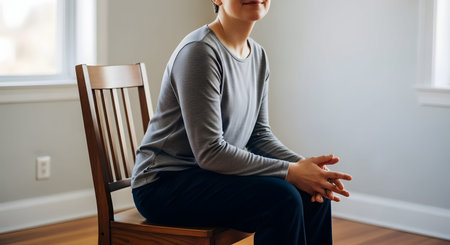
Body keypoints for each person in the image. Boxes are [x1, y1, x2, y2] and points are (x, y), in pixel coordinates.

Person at [131, 0, 352, 244]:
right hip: (163, 184)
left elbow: (259, 136)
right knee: (283, 197)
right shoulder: (200, 51)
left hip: (210, 176)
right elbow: (210, 152)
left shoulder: (258, 55)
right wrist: (291, 172)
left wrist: (305, 168)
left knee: (313, 192)